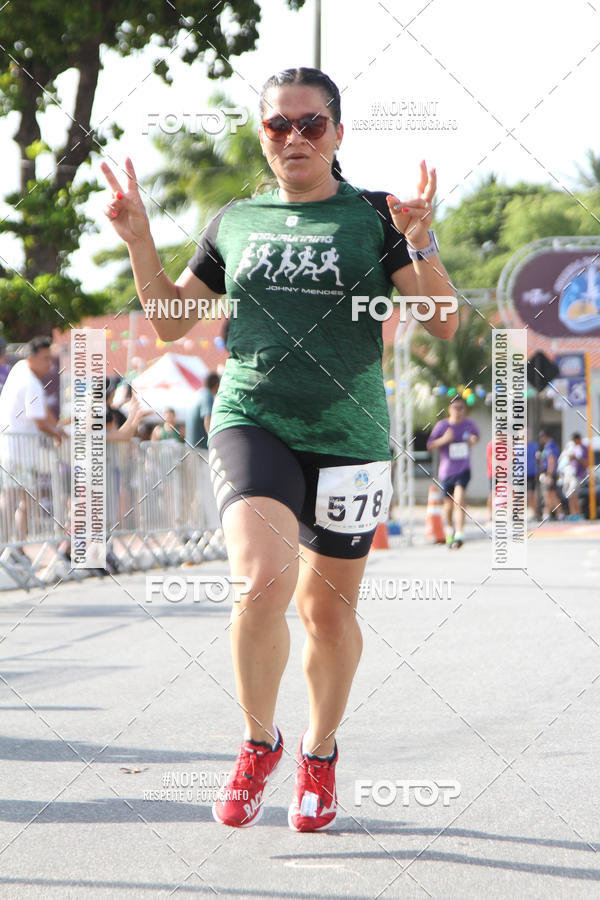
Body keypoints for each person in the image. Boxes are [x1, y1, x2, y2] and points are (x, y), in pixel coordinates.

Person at [100, 66, 457, 832]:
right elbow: (169, 323)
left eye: (310, 124)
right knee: (260, 584)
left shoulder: (376, 217)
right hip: (252, 417)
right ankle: (259, 741)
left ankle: (320, 754)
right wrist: (139, 241)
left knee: (327, 617)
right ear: (261, 134)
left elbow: (444, 321)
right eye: (277, 125)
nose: (293, 137)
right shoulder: (235, 220)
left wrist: (421, 241)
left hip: (350, 434)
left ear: (337, 132)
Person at [0, 336, 66, 547]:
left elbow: (44, 414)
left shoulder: (21, 370)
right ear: (32, 358)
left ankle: (13, 547)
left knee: (20, 500)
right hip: (18, 453)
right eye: (46, 358)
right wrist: (58, 435)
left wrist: (56, 427)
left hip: (14, 450)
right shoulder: (31, 381)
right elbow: (40, 420)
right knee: (19, 501)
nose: (50, 364)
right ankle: (12, 547)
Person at [427, 396, 480, 548]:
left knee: (459, 499)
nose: (458, 411)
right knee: (448, 505)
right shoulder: (442, 426)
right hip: (446, 471)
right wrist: (445, 439)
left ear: (465, 410)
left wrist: (472, 440)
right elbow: (430, 445)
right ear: (450, 410)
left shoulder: (469, 424)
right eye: (455, 408)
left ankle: (459, 534)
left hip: (463, 469)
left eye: (461, 408)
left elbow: (476, 437)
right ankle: (450, 529)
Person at [186, 372, 220, 449]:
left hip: (190, 448)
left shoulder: (197, 393)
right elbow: (207, 420)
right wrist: (213, 442)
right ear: (217, 385)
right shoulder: (208, 395)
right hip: (200, 450)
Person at [538, 429, 563, 520]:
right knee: (549, 494)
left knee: (549, 494)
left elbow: (551, 460)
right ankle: (550, 513)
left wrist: (549, 475)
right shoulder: (550, 445)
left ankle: (555, 513)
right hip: (550, 473)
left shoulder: (549, 446)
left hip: (549, 473)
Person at [562, 432, 587, 520]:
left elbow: (586, 463)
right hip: (571, 474)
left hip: (579, 475)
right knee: (570, 494)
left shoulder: (584, 449)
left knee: (574, 494)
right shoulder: (574, 448)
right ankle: (573, 513)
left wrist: (576, 458)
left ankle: (578, 514)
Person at [526, 432, 539, 519]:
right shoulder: (516, 446)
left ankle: (535, 513)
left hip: (531, 473)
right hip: (519, 474)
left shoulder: (534, 446)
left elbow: (538, 459)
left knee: (531, 494)